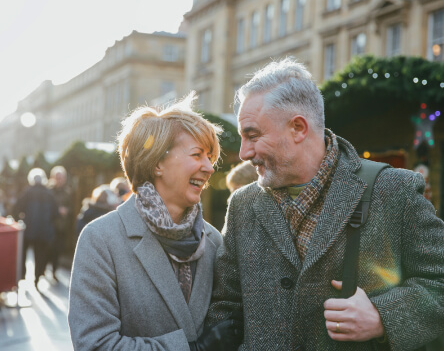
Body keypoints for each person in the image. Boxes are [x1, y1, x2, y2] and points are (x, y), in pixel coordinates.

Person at [206, 58, 444, 350]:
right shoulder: (242, 203)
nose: (243, 153)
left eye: (253, 135)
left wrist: (383, 316)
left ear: (298, 128)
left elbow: (439, 281)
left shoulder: (394, 189)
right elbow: (225, 307)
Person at [68, 92, 243, 351]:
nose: (208, 167)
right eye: (197, 155)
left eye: (209, 156)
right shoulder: (100, 239)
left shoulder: (214, 240)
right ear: (158, 162)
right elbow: (95, 344)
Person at [14, 168, 59, 288]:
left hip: (28, 229)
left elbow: (17, 208)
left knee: (23, 252)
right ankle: (37, 278)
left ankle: (22, 276)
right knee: (40, 255)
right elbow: (55, 212)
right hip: (44, 230)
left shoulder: (27, 192)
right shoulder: (49, 194)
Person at [48, 165, 74, 281]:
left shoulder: (68, 192)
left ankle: (54, 271)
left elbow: (72, 207)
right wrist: (56, 210)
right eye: (57, 177)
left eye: (61, 177)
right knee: (47, 249)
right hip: (50, 224)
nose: (59, 179)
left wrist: (67, 211)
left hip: (62, 226)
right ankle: (43, 270)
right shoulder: (49, 191)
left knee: (57, 250)